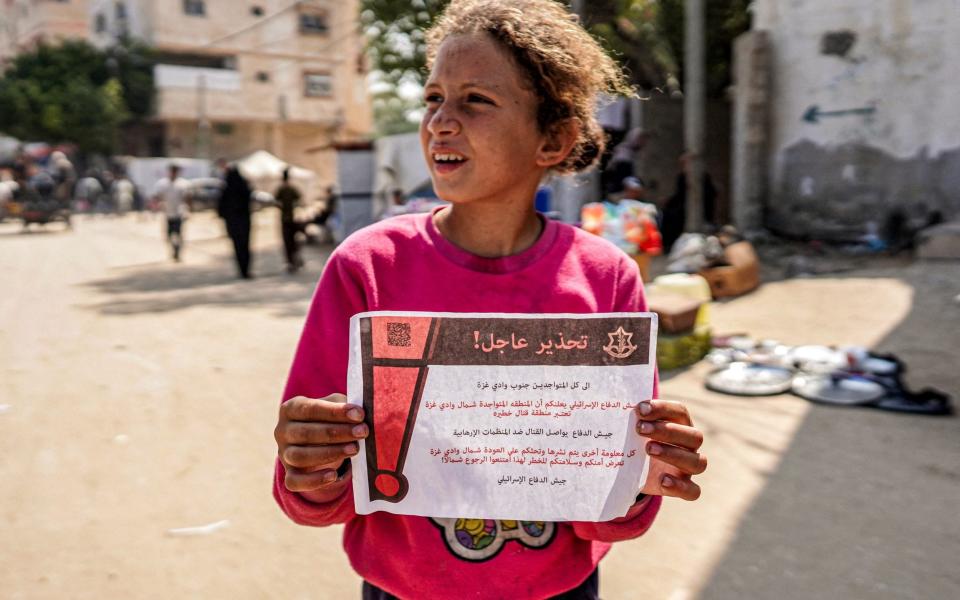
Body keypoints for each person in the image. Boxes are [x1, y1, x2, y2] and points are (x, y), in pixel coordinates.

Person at [272, 2, 707, 599]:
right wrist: (310, 460)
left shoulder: (606, 278)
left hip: (558, 590)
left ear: (553, 139)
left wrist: (641, 471)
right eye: (433, 98)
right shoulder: (368, 267)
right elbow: (322, 497)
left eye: (475, 99)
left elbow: (605, 510)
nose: (440, 122)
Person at [660, 152, 718, 253]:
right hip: (682, 205)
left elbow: (709, 193)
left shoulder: (702, 176)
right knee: (667, 216)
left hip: (697, 207)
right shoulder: (682, 176)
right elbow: (679, 194)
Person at [217, 160, 254, 279]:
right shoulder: (243, 186)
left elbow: (221, 208)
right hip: (244, 221)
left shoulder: (227, 188)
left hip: (233, 223)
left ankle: (242, 270)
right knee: (245, 246)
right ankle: (245, 270)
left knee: (238, 247)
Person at [151, 163, 191, 261]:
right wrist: (155, 207)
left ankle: (178, 252)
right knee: (168, 235)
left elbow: (188, 198)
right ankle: (174, 248)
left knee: (178, 234)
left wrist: (189, 210)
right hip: (168, 213)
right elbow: (157, 196)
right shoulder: (162, 184)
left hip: (179, 213)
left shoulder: (183, 184)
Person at [275, 168, 304, 273]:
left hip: (286, 219)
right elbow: (299, 200)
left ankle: (292, 262)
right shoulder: (291, 189)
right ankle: (295, 260)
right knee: (294, 241)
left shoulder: (282, 189)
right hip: (293, 219)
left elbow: (276, 202)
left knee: (288, 241)